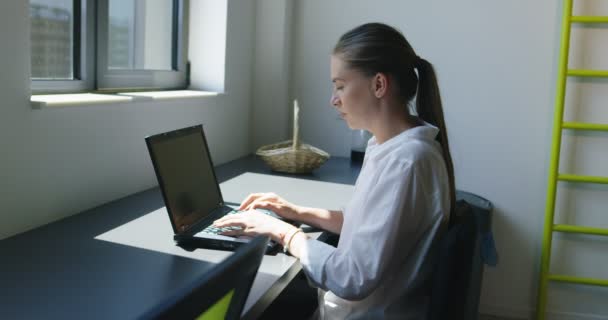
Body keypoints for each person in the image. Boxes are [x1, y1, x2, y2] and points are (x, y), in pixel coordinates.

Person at [214, 22, 455, 319]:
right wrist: (294, 210)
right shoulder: (391, 147)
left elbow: (352, 277)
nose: (334, 99)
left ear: (379, 85)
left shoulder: (406, 162)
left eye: (340, 85)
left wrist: (282, 232)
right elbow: (365, 225)